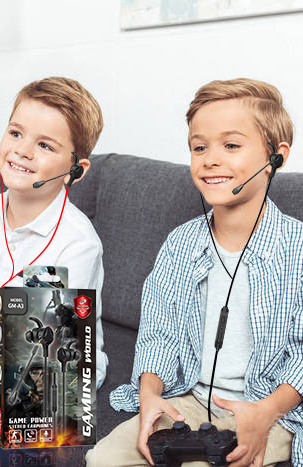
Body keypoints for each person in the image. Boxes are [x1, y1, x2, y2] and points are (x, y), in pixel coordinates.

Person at [87, 78, 302, 467]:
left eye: (231, 145)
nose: (210, 159)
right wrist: (150, 395)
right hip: (189, 398)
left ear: (276, 157)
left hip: (269, 407)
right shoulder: (181, 244)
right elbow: (159, 333)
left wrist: (266, 412)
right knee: (103, 459)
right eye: (199, 147)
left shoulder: (297, 247)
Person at [0, 77, 108, 402]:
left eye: (45, 145)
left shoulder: (78, 244)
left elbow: (45, 358)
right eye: (16, 133)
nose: (22, 151)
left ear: (75, 170)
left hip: (49, 366)